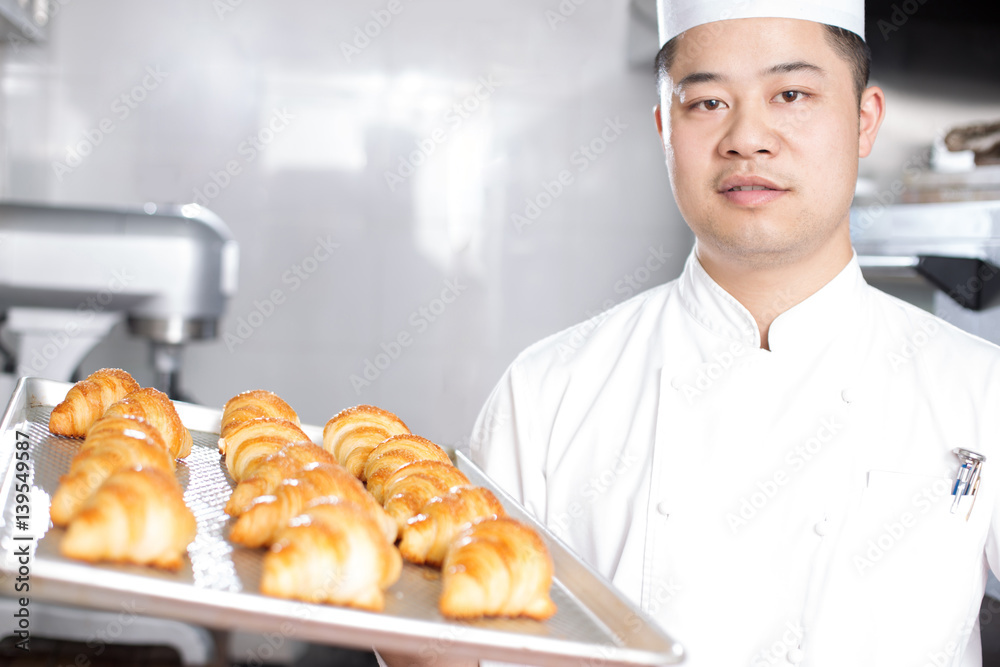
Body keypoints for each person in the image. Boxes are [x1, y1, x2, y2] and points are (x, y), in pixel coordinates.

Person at [470, 1, 1000, 665]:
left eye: (792, 94)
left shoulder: (981, 389)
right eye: (708, 103)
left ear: (864, 121)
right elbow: (474, 640)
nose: (748, 138)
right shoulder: (546, 392)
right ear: (664, 127)